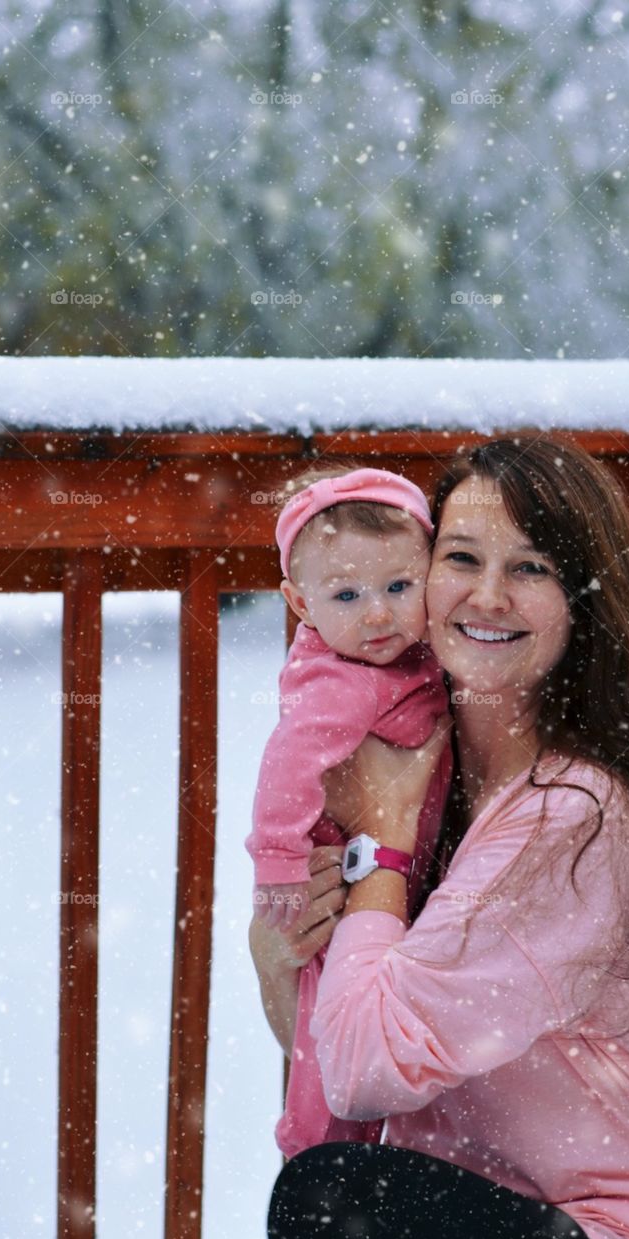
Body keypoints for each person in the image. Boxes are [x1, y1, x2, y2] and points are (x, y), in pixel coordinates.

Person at [238, 438, 629, 1239]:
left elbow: (363, 1072)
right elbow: (335, 1047)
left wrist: (382, 835)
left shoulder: (568, 814)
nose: (487, 595)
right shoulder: (431, 768)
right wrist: (276, 964)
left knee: (331, 1198)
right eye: (462, 558)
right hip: (482, 1229)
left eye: (531, 568)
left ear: (582, 602)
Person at [244, 464, 452, 1155]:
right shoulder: (340, 682)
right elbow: (287, 764)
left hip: (389, 883)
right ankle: (316, 1148)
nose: (377, 614)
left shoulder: (405, 657)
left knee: (346, 1029)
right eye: (347, 594)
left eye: (400, 586)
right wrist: (276, 861)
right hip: (336, 891)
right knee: (325, 1036)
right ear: (300, 605)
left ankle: (353, 1153)